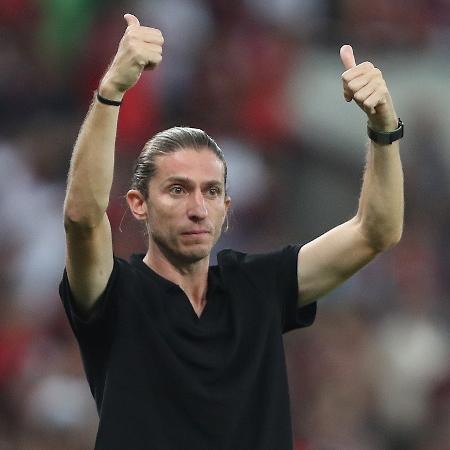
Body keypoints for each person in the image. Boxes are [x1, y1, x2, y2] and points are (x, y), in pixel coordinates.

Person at [59, 13, 404, 450]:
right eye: (177, 190)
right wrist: (111, 93)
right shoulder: (116, 294)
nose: (197, 208)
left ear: (227, 208)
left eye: (211, 192)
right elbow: (82, 217)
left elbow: (377, 231)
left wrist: (382, 127)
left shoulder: (258, 285)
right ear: (138, 205)